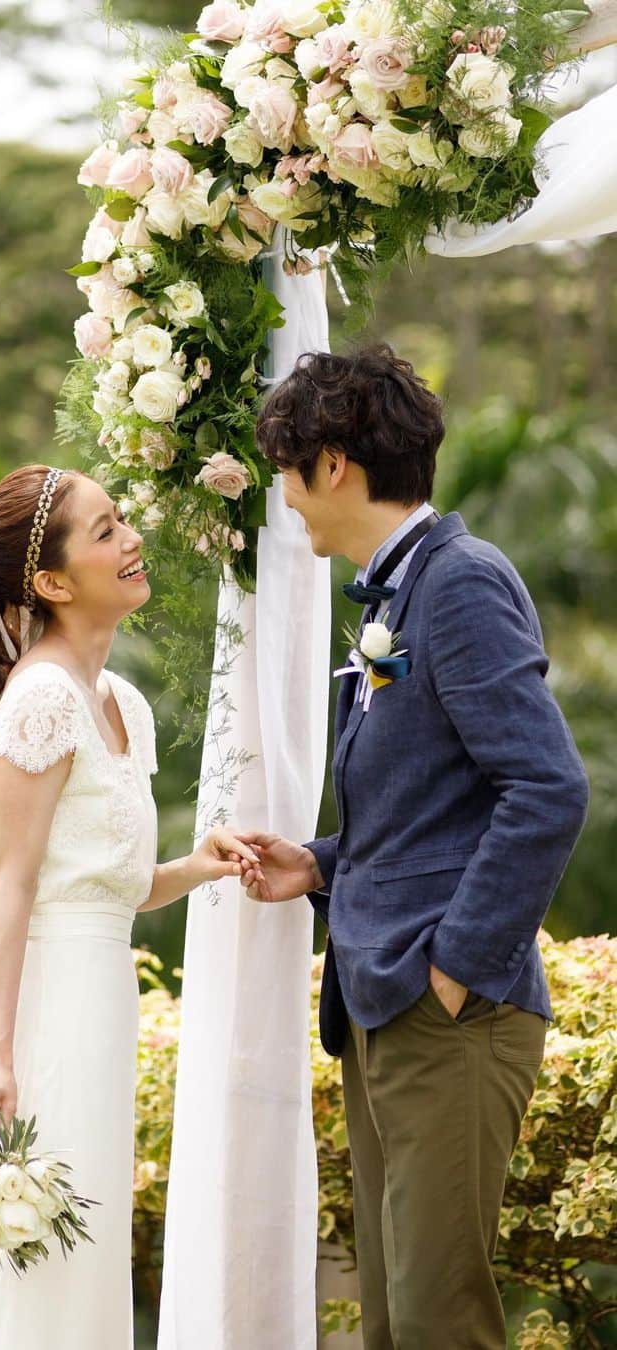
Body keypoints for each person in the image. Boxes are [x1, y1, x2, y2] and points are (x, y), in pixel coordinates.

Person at [240, 345, 590, 1350]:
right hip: (383, 1004)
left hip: (447, 1011)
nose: (288, 499)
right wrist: (323, 863)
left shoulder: (461, 584)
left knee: (441, 1324)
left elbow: (546, 787)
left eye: (288, 470)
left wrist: (456, 969)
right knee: (394, 1320)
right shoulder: (397, 594)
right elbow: (435, 804)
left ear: (334, 463)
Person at [0, 463, 260, 1350]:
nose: (131, 539)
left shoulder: (123, 706)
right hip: (48, 1013)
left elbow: (118, 886)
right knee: (36, 1249)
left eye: (122, 520)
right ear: (53, 583)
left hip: (106, 1004)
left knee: (86, 1245)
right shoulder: (39, 700)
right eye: (104, 531)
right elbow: (12, 887)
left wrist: (199, 864)